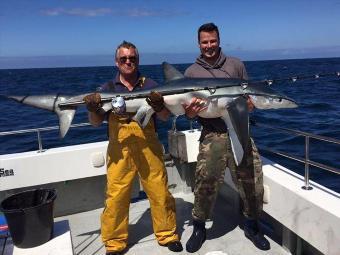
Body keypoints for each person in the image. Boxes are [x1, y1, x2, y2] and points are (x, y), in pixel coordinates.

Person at [83, 41, 182, 255]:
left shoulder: (151, 85)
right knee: (116, 195)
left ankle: (167, 234)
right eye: (124, 59)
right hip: (120, 149)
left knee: (160, 191)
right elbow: (95, 123)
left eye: (132, 58)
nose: (128, 62)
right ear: (116, 62)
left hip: (149, 145)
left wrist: (158, 106)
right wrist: (93, 108)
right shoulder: (106, 89)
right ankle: (114, 242)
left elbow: (164, 117)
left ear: (138, 60)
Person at [183, 23, 270, 252]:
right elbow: (187, 113)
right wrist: (190, 112)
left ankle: (252, 225)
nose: (209, 46)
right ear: (198, 44)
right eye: (204, 42)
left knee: (252, 180)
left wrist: (250, 105)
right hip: (212, 134)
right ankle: (199, 227)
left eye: (212, 41)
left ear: (219, 40)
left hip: (239, 130)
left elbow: (247, 100)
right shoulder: (191, 72)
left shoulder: (236, 65)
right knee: (205, 182)